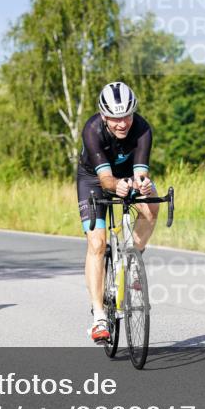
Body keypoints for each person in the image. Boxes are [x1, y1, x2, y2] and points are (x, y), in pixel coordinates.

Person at [76, 82, 159, 343]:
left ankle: (134, 258)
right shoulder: (92, 129)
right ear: (104, 116)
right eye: (114, 118)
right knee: (97, 243)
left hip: (127, 177)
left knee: (152, 201)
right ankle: (99, 316)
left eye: (127, 115)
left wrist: (142, 183)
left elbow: (140, 172)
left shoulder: (143, 128)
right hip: (94, 180)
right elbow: (106, 181)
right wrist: (118, 185)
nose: (122, 123)